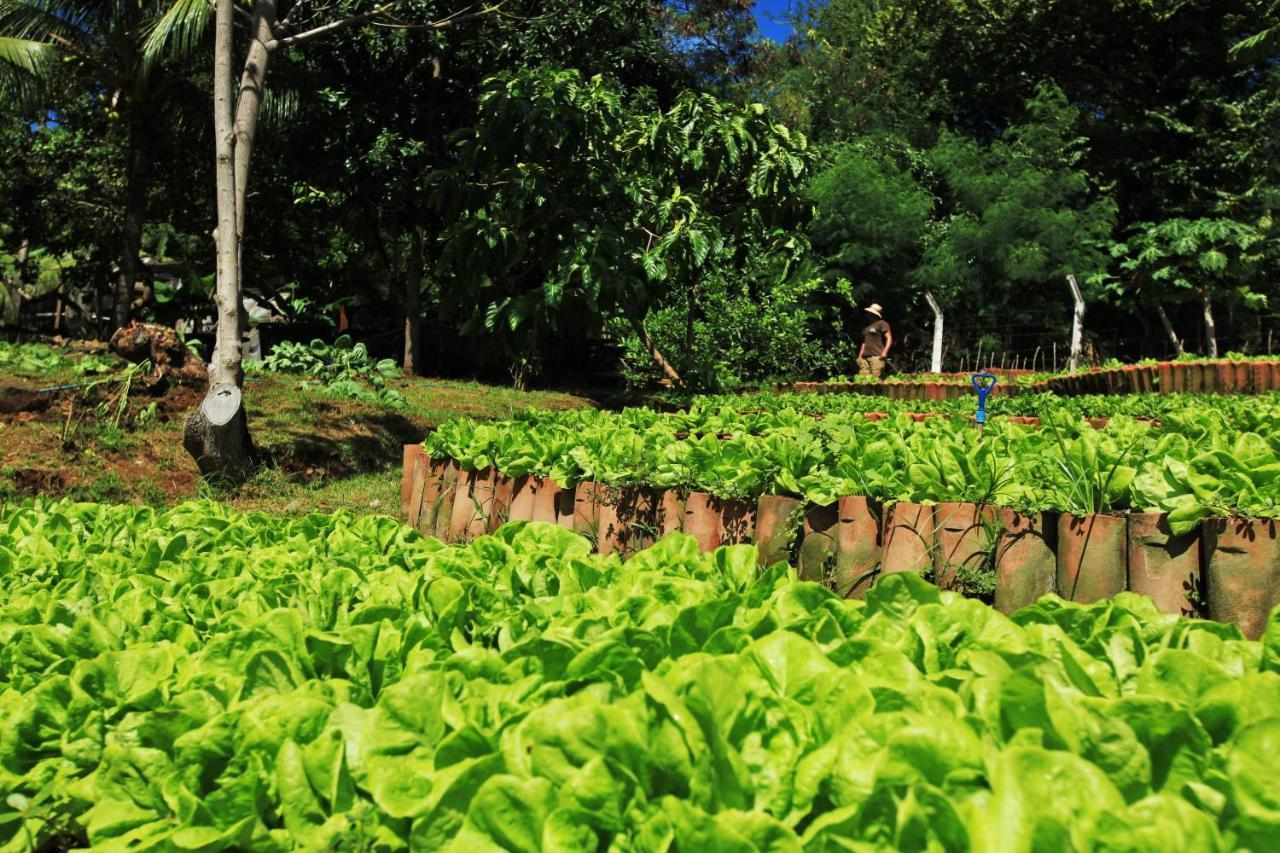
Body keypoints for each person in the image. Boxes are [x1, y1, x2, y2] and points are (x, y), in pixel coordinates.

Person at [857, 303, 892, 378]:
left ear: (873, 314)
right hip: (864, 358)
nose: (867, 314)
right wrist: (860, 356)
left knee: (876, 381)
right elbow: (864, 342)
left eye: (869, 313)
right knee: (863, 381)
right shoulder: (866, 327)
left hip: (877, 357)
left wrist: (885, 352)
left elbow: (889, 338)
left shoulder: (882, 324)